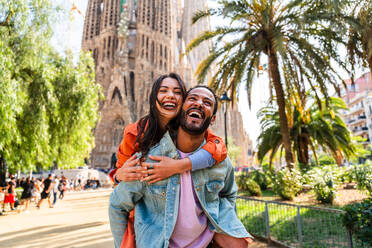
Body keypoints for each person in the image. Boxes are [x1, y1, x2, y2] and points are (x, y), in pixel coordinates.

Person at [109, 86, 253, 248]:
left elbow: (229, 194)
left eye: (207, 102)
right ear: (179, 110)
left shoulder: (219, 160)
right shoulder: (151, 159)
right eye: (192, 98)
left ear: (212, 119)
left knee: (239, 243)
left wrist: (222, 224)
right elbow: (117, 204)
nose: (199, 103)